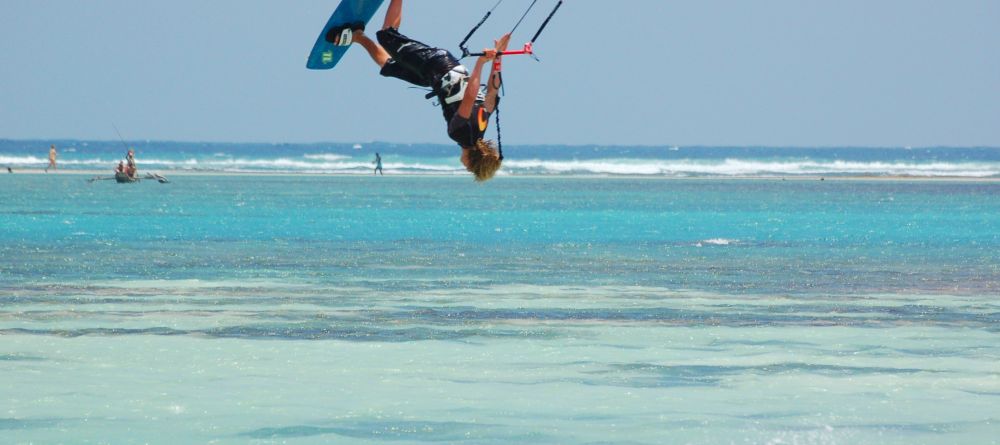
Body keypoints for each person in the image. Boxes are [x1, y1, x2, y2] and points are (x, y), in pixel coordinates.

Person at [327, 0, 509, 181]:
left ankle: (358, 36)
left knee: (388, 66)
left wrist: (498, 60)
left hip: (435, 78)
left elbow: (492, 92)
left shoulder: (480, 129)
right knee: (387, 36)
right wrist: (481, 63)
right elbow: (470, 95)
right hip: (438, 66)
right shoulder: (459, 134)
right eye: (470, 169)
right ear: (472, 162)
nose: (465, 168)